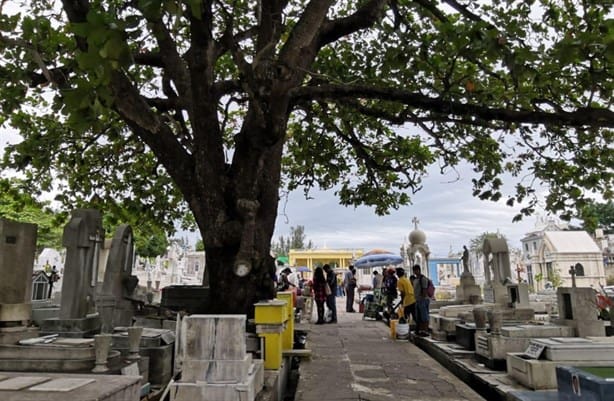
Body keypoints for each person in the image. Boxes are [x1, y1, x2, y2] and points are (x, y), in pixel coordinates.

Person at [412, 264, 430, 336]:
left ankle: (425, 330)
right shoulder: (416, 279)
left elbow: (424, 290)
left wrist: (422, 297)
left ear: (419, 270)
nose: (415, 272)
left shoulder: (423, 279)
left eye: (416, 270)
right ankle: (421, 330)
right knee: (419, 317)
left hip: (423, 300)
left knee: (424, 316)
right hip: (417, 300)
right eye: (414, 271)